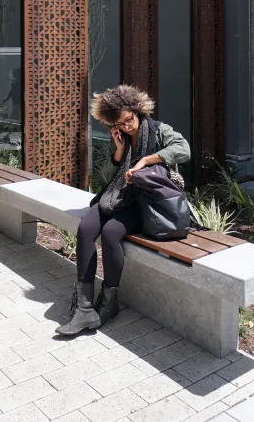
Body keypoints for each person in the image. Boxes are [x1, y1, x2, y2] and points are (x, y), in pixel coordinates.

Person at [56, 85, 190, 336]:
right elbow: (108, 176)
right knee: (85, 229)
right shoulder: (121, 137)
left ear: (138, 111)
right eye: (121, 123)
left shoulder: (160, 131)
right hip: (114, 197)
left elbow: (184, 150)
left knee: (110, 233)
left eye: (130, 120)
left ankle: (109, 301)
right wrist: (118, 151)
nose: (128, 126)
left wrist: (147, 160)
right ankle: (84, 308)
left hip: (144, 204)